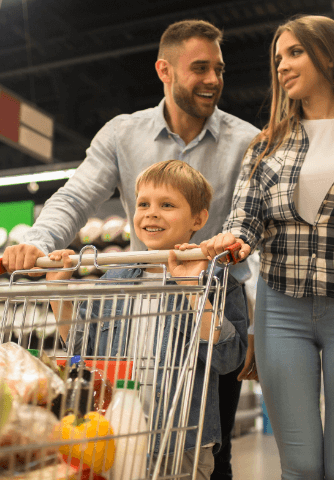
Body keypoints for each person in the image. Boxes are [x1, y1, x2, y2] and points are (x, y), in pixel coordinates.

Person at [0, 19, 260, 479]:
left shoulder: (246, 141)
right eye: (199, 68)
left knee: (210, 452)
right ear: (165, 70)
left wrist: (254, 321)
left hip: (209, 304)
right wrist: (36, 245)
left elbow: (252, 225)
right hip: (135, 299)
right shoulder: (123, 134)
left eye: (218, 69)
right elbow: (76, 197)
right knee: (128, 447)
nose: (213, 80)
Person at [200, 15, 334, 480]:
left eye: (295, 52)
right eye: (278, 57)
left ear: (328, 54)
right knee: (298, 465)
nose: (282, 65)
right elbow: (246, 216)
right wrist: (233, 238)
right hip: (282, 313)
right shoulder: (267, 143)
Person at [46, 160, 248, 480]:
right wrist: (57, 291)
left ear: (199, 218)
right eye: (143, 204)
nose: (151, 213)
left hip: (183, 441)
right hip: (117, 433)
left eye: (167, 205)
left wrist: (193, 289)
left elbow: (228, 359)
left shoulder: (218, 279)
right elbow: (85, 350)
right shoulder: (113, 280)